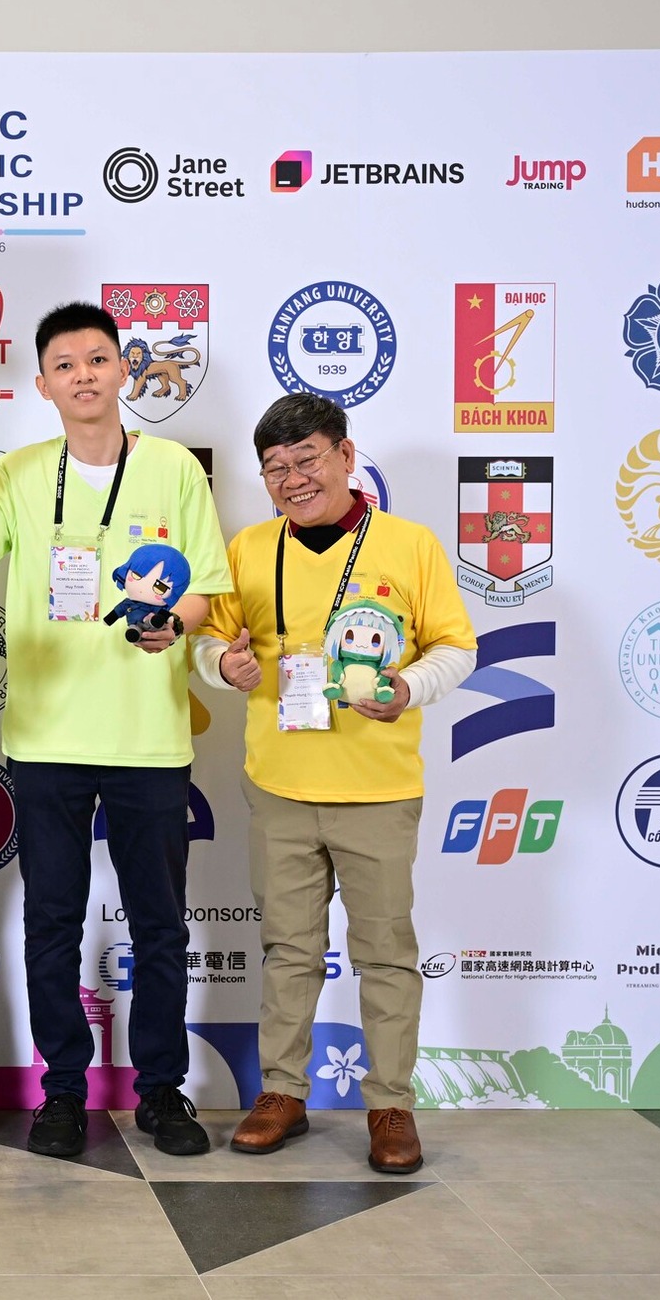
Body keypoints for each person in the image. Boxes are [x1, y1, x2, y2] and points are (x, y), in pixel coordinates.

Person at [0, 302, 232, 1159]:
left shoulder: (173, 466)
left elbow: (205, 590)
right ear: (43, 384)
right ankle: (62, 1090)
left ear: (125, 368)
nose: (84, 375)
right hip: (46, 738)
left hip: (147, 739)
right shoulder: (22, 471)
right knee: (53, 922)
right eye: (65, 364)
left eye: (98, 358)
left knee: (160, 924)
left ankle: (162, 1090)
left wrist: (172, 624)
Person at [192, 393, 476, 1174]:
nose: (293, 478)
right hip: (279, 782)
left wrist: (407, 689)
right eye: (275, 467)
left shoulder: (410, 544)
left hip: (378, 786)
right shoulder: (250, 548)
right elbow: (210, 644)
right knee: (289, 949)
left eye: (307, 459)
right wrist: (223, 665)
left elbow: (456, 648)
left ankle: (390, 1104)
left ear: (346, 456)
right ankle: (281, 1092)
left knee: (385, 952)